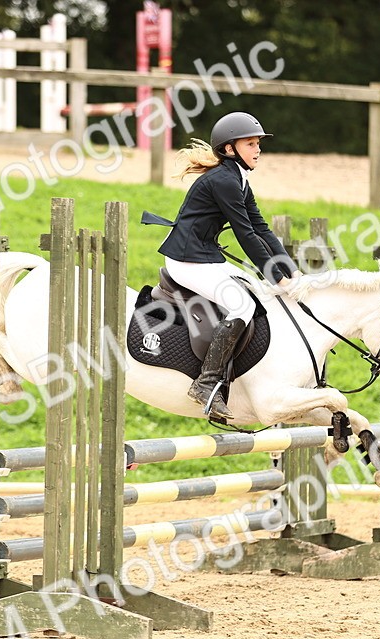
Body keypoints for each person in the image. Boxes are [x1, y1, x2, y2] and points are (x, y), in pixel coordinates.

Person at [157, 112, 299, 421]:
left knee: (256, 293)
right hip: (186, 260)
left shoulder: (238, 178)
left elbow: (261, 228)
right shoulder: (225, 180)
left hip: (205, 255)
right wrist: (277, 276)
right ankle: (207, 384)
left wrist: (290, 269)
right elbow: (244, 234)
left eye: (258, 143)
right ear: (230, 149)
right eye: (251, 144)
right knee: (242, 306)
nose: (257, 150)